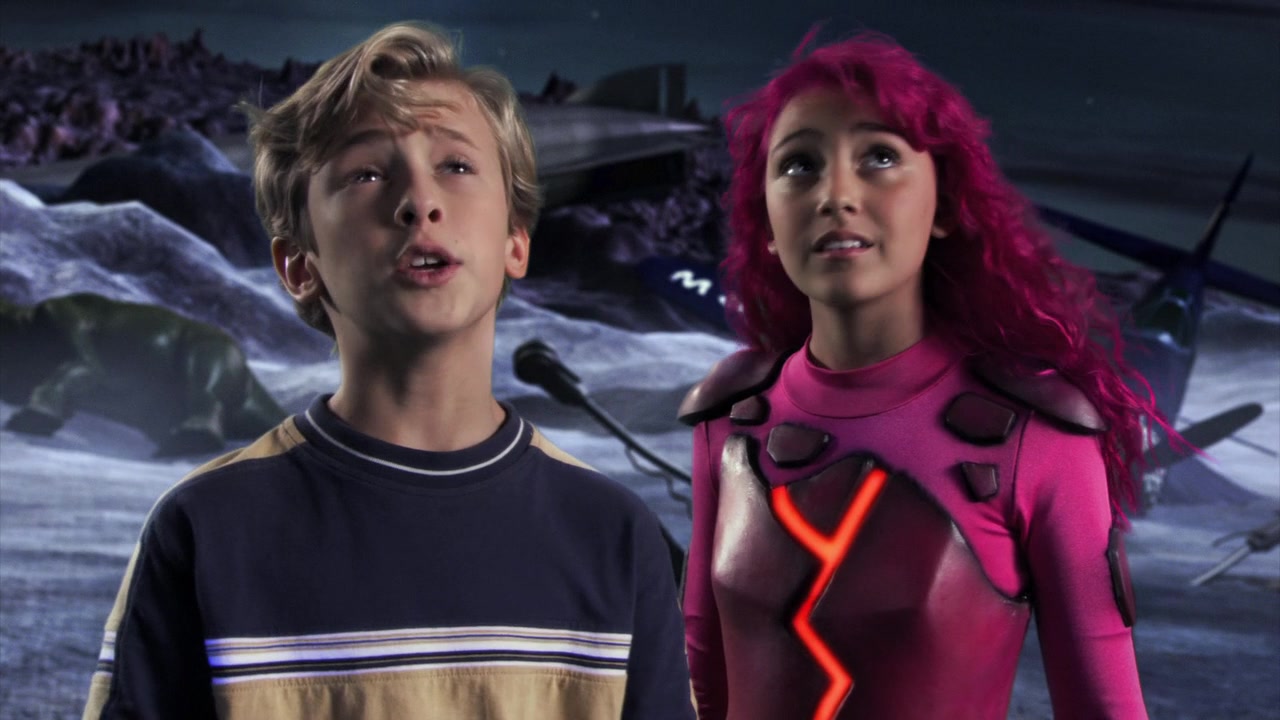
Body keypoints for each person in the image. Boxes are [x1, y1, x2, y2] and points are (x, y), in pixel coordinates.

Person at [83, 21, 693, 719]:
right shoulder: (205, 531)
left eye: (456, 166)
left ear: (516, 241)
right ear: (299, 266)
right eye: (366, 174)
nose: (419, 203)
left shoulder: (616, 535)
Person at [678, 31, 1175, 720]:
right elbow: (702, 684)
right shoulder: (725, 420)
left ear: (944, 204)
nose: (835, 194)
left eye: (880, 156)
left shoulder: (1039, 439)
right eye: (799, 165)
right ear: (764, 219)